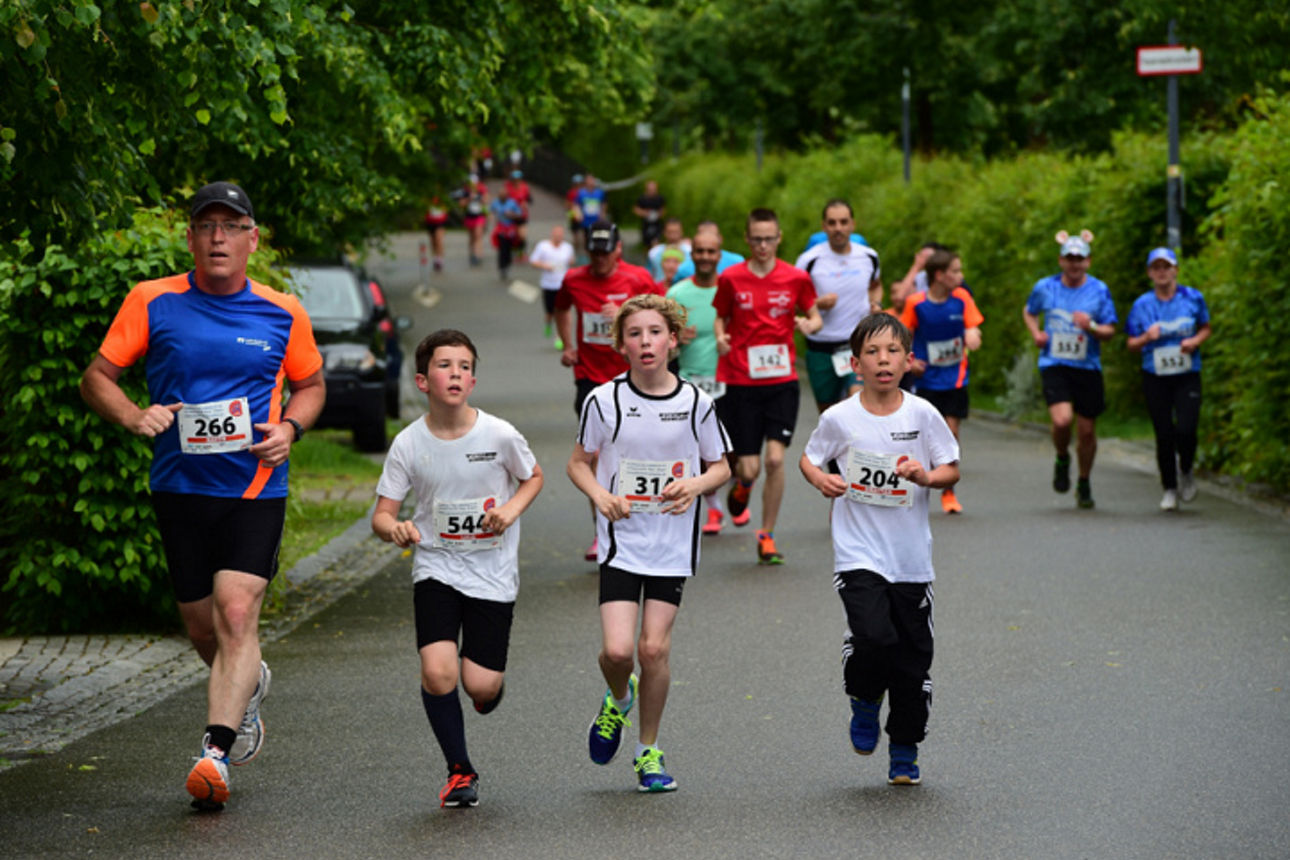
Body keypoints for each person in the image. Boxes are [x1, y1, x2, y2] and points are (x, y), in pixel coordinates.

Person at [79, 181, 325, 810]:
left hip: (254, 486)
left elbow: (311, 385)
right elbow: (98, 378)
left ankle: (214, 753)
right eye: (206, 226)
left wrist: (290, 429)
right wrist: (135, 416)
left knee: (236, 611)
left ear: (251, 238)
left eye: (230, 226)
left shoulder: (282, 310)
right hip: (180, 485)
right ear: (190, 238)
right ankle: (247, 685)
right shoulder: (152, 301)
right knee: (201, 627)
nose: (218, 237)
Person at [372, 329, 544, 809]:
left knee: (479, 685)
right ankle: (459, 770)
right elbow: (381, 515)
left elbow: (534, 478)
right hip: (437, 567)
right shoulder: (408, 444)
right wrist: (396, 530)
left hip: (491, 571)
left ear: (473, 380)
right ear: (423, 381)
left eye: (465, 366)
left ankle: (490, 685)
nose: (456, 373)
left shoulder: (500, 434)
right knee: (437, 672)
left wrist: (510, 511)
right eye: (445, 366)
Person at [567, 294, 732, 793]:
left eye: (655, 333)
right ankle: (618, 698)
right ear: (621, 344)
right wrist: (600, 494)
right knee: (618, 653)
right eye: (635, 334)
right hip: (621, 541)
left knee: (653, 649)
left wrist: (695, 486)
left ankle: (648, 751)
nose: (646, 342)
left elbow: (720, 465)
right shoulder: (603, 400)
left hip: (672, 543)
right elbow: (578, 462)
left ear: (674, 340)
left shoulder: (697, 404)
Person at [798, 313, 960, 787]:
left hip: (911, 560)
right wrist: (821, 478)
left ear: (908, 361)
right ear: (856, 363)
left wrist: (926, 477)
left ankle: (905, 748)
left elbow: (950, 467)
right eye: (872, 352)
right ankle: (864, 699)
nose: (883, 360)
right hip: (858, 553)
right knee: (872, 638)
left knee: (912, 661)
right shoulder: (840, 417)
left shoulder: (922, 414)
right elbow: (809, 457)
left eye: (892, 351)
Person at [713, 208, 823, 564]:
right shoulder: (731, 277)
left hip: (781, 381)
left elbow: (815, 312)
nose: (763, 245)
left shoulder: (795, 278)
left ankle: (767, 535)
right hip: (741, 381)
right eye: (756, 239)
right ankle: (742, 486)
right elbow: (721, 316)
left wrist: (811, 325)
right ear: (747, 240)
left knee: (775, 460)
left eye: (769, 238)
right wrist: (720, 338)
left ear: (779, 238)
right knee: (749, 468)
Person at [554, 221, 664, 560]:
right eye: (595, 252)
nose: (600, 259)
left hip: (631, 378)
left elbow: (661, 316)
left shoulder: (637, 278)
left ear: (618, 248)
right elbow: (560, 308)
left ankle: (643, 522)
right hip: (589, 377)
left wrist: (624, 317)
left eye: (606, 252)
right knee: (595, 455)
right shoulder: (574, 279)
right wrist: (568, 344)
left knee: (637, 452)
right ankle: (602, 532)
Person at [1023, 230, 1118, 509]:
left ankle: (1084, 481)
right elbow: (1029, 311)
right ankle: (1062, 456)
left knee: (1087, 431)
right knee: (1063, 420)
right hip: (1055, 363)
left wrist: (1091, 326)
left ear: (1088, 261)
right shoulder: (1045, 287)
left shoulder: (1099, 290)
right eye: (1069, 259)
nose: (1074, 264)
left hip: (1087, 366)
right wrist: (1036, 333)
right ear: (1061, 260)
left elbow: (1110, 331)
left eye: (1080, 259)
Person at [1125, 247, 1211, 511]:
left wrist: (1194, 341)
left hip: (1186, 374)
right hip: (1156, 375)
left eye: (1166, 267)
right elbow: (1130, 343)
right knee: (1163, 432)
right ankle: (1169, 488)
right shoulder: (1142, 305)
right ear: (1150, 273)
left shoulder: (1192, 298)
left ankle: (1185, 469)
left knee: (1186, 429)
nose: (1162, 272)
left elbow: (1205, 327)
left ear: (1175, 270)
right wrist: (1145, 338)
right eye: (1156, 268)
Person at [900, 249, 983, 514]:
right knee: (921, 438)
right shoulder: (916, 303)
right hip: (926, 381)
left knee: (951, 432)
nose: (961, 275)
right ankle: (915, 485)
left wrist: (973, 336)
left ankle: (948, 491)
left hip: (956, 378)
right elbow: (901, 337)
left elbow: (973, 326)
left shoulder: (961, 298)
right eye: (956, 271)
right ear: (939, 275)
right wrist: (910, 363)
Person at [666, 227, 728, 534]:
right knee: (701, 451)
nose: (705, 257)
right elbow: (662, 340)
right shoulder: (677, 294)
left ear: (720, 254)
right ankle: (712, 507)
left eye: (710, 252)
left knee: (738, 457)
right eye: (699, 252)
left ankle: (737, 489)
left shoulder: (730, 289)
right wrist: (677, 341)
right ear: (692, 255)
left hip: (729, 382)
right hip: (690, 382)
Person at [794, 199, 883, 412]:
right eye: (832, 223)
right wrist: (817, 304)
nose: (838, 229)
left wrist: (876, 303)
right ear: (824, 226)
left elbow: (876, 285)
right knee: (829, 415)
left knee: (857, 402)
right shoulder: (809, 260)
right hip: (821, 348)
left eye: (843, 222)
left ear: (853, 224)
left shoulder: (868, 256)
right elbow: (793, 304)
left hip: (858, 344)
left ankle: (861, 445)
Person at [529, 224, 576, 349]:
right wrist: (545, 266)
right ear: (552, 235)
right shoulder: (543, 246)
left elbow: (571, 261)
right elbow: (533, 261)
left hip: (563, 285)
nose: (559, 237)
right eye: (557, 235)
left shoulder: (567, 247)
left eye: (561, 235)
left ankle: (560, 337)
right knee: (551, 313)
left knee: (564, 312)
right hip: (548, 285)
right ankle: (548, 323)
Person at [671, 219, 745, 283]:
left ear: (720, 238)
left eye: (712, 236)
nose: (705, 257)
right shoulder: (684, 269)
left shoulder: (737, 263)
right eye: (703, 235)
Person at [489, 186, 524, 282]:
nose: (502, 197)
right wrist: (491, 218)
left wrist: (511, 214)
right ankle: (502, 267)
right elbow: (490, 211)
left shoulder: (512, 203)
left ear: (507, 196)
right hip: (500, 228)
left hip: (510, 228)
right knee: (502, 248)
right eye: (500, 195)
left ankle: (508, 263)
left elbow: (519, 214)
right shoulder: (495, 202)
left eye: (504, 195)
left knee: (508, 248)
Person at [452, 173, 489, 267]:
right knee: (472, 237)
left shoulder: (481, 190)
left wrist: (477, 197)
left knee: (478, 235)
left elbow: (486, 201)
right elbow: (461, 204)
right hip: (469, 216)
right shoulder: (465, 191)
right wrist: (469, 199)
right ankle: (472, 254)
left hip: (479, 215)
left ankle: (478, 255)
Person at [646, 217, 692, 283]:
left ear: (682, 231)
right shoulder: (654, 252)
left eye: (676, 232)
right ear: (664, 232)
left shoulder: (690, 251)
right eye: (670, 232)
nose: (673, 235)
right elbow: (649, 273)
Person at [503, 169, 533, 259]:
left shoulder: (525, 187)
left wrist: (526, 203)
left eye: (518, 179)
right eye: (514, 179)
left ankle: (522, 253)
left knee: (522, 235)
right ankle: (513, 252)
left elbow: (530, 199)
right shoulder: (507, 187)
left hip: (521, 215)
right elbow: (503, 199)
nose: (516, 181)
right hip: (510, 215)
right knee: (512, 235)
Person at [633, 179, 667, 249]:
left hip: (657, 224)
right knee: (647, 244)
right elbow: (636, 209)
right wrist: (644, 213)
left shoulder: (660, 198)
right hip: (646, 224)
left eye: (654, 189)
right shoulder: (642, 198)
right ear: (647, 189)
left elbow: (663, 210)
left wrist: (658, 214)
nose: (652, 191)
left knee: (656, 242)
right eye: (650, 189)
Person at [424, 195, 449, 272]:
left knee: (438, 240)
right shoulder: (427, 198)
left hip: (440, 222)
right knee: (433, 242)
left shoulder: (441, 198)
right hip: (430, 222)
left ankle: (440, 259)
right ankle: (435, 258)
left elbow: (445, 210)